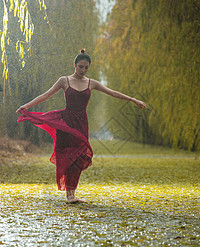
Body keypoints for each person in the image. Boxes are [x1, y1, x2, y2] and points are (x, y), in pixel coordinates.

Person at [16, 49, 147, 204]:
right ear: (75, 65)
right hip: (66, 122)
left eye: (86, 67)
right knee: (67, 155)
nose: (83, 70)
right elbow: (46, 94)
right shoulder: (64, 81)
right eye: (80, 67)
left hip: (81, 123)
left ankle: (72, 193)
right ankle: (69, 195)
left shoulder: (91, 83)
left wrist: (133, 99)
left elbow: (112, 93)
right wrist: (27, 105)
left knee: (79, 155)